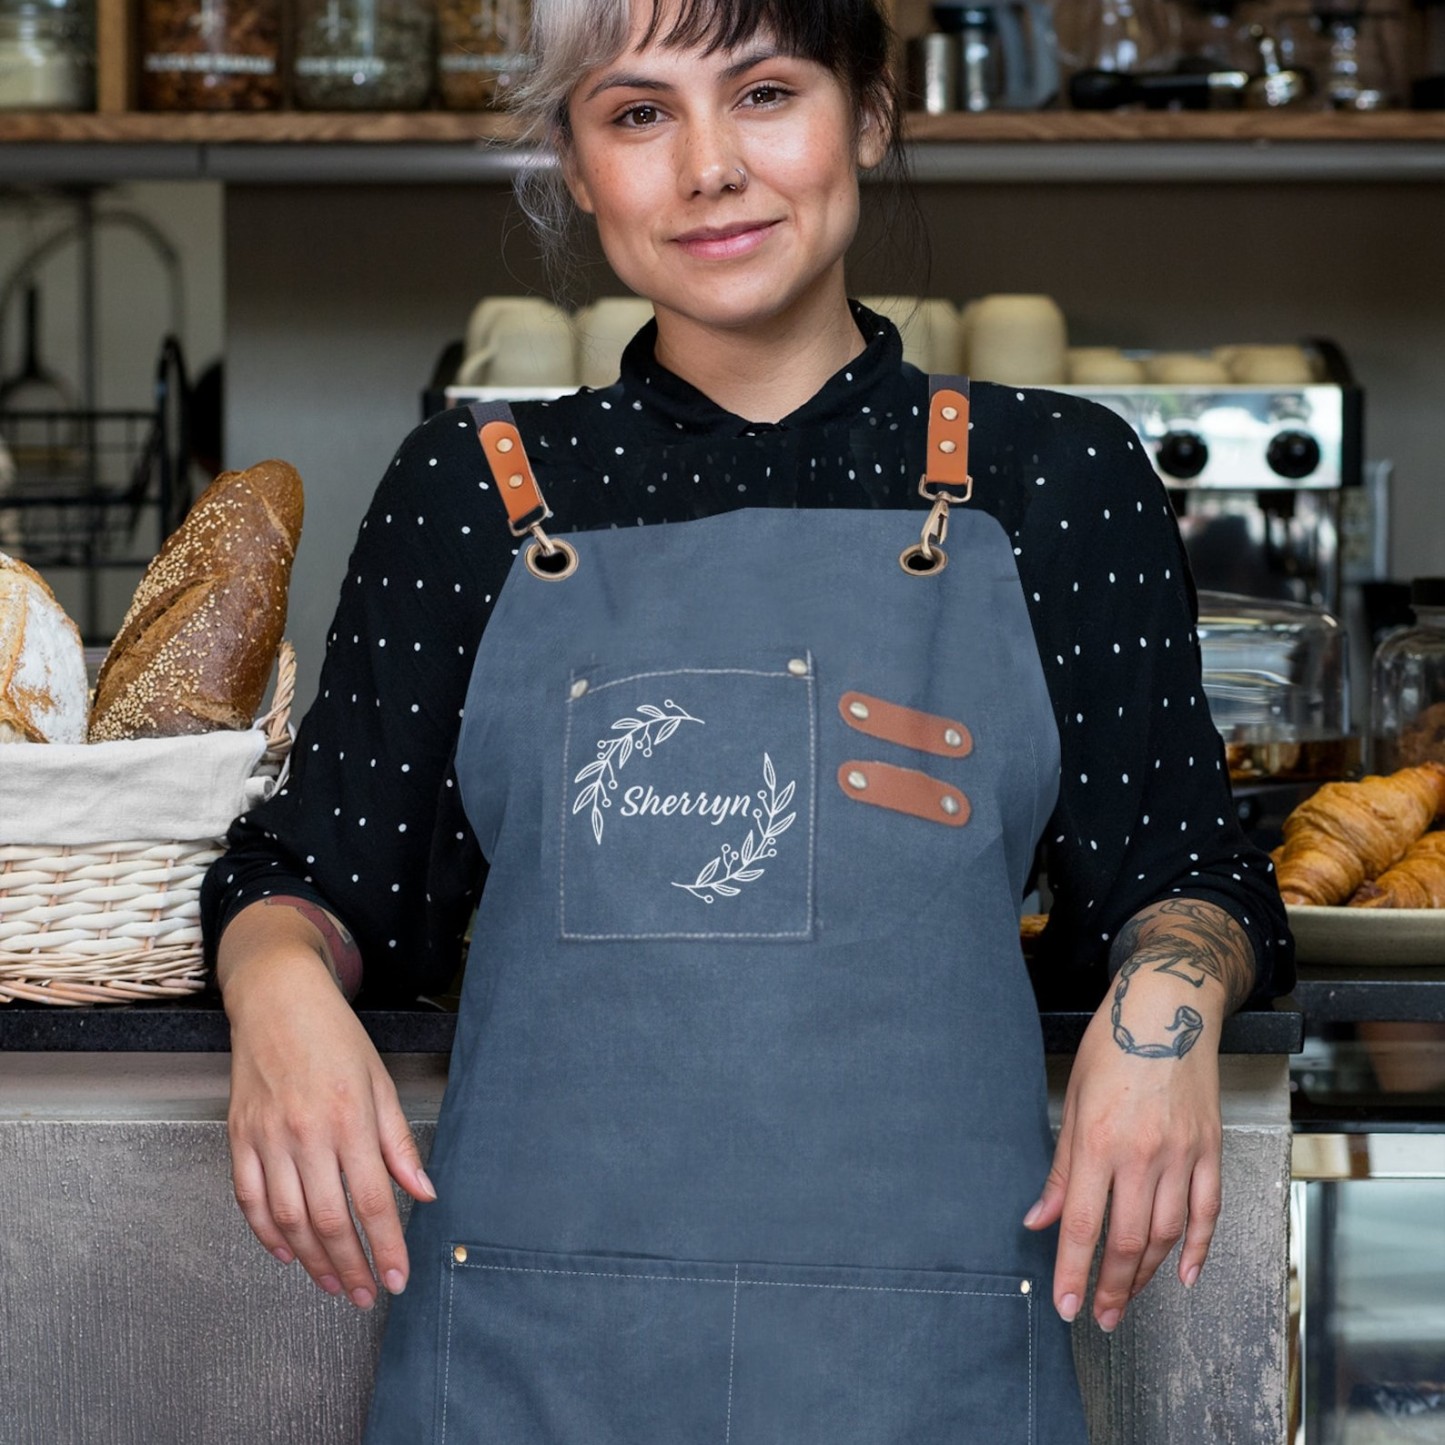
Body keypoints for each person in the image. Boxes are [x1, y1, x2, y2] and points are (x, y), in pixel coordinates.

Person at [202, 0, 1295, 1438]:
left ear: (871, 115)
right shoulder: (471, 488)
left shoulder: (1053, 479)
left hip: (926, 1356)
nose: (710, 166)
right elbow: (316, 878)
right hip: (537, 1358)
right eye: (638, 114)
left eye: (766, 93)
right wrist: (274, 988)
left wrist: (1167, 1011)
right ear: (577, 166)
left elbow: (1183, 871)